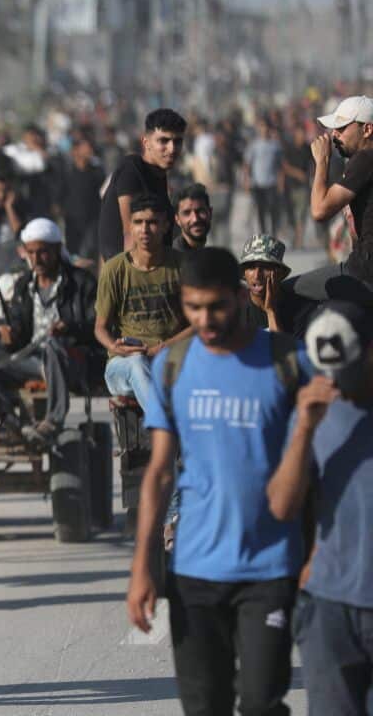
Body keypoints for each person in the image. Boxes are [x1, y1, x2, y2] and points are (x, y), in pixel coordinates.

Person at [127, 247, 306, 716]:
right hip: (195, 571)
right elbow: (159, 472)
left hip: (270, 568)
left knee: (262, 703)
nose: (204, 320)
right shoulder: (174, 365)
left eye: (216, 307)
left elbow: (319, 462)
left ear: (241, 297)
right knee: (205, 706)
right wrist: (143, 565)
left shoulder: (287, 361)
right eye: (193, 308)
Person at [266, 301, 373, 715]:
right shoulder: (312, 410)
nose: (335, 383)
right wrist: (304, 430)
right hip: (329, 610)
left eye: (347, 370)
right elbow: (281, 506)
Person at [0, 219, 100, 443]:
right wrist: (9, 337)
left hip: (72, 359)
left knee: (53, 346)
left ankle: (53, 420)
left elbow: (98, 327)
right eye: (31, 253)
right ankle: (6, 422)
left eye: (42, 252)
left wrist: (70, 328)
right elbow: (20, 332)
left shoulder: (81, 282)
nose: (36, 259)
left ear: (57, 250)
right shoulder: (24, 286)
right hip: (33, 361)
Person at [95, 196, 191, 411]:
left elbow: (198, 325)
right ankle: (163, 423)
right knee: (137, 364)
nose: (144, 229)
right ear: (130, 226)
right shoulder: (114, 269)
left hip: (170, 359)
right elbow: (100, 328)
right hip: (124, 365)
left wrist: (163, 347)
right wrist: (114, 346)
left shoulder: (182, 266)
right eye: (138, 222)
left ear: (166, 226)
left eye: (152, 222)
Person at [295, 95, 373, 301]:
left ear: (367, 129)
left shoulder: (365, 158)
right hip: (360, 268)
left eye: (342, 128)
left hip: (363, 275)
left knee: (287, 292)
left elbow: (319, 210)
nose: (334, 134)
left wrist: (322, 161)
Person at [98, 108, 186, 261]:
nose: (172, 149)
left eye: (177, 141)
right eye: (163, 141)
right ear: (146, 142)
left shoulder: (159, 175)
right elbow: (131, 235)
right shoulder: (132, 170)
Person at [239, 233, 313, 338]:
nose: (257, 275)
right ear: (244, 273)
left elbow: (283, 348)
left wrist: (271, 311)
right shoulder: (236, 310)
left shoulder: (302, 310)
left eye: (265, 267)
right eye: (251, 267)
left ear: (280, 273)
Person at [59, 134, 105, 263]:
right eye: (85, 147)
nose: (89, 150)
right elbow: (59, 196)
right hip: (72, 221)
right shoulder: (67, 172)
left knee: (90, 252)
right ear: (76, 150)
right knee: (73, 254)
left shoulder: (97, 171)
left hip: (92, 221)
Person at [243, 120, 285, 237]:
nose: (264, 130)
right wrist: (246, 180)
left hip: (271, 183)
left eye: (266, 127)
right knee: (260, 211)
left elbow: (280, 166)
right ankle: (263, 235)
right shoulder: (254, 145)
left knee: (272, 209)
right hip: (258, 184)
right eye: (262, 127)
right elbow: (247, 164)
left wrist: (281, 182)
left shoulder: (275, 145)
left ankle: (274, 233)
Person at [172, 183, 214, 253]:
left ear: (210, 213)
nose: (195, 219)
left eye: (200, 211)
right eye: (187, 213)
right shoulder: (172, 257)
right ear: (177, 219)